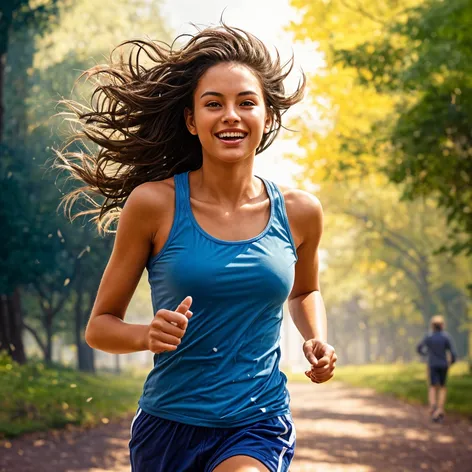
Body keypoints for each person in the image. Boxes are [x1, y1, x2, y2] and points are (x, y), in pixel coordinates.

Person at [57, 24, 337, 472]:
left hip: (258, 421)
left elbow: (304, 292)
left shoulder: (301, 212)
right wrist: (146, 334)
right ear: (192, 121)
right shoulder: (154, 205)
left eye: (246, 102)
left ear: (266, 117)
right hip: (168, 427)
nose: (231, 115)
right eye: (214, 104)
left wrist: (316, 337)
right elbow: (100, 327)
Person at [417, 315, 457, 423]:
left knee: (432, 386)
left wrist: (425, 354)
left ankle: (433, 406)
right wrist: (452, 362)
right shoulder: (446, 337)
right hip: (443, 365)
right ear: (442, 326)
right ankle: (440, 409)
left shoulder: (429, 336)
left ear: (432, 326)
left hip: (432, 364)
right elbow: (452, 352)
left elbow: (419, 348)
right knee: (442, 387)